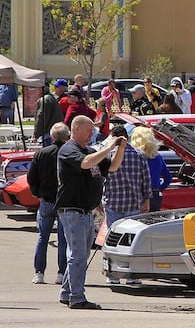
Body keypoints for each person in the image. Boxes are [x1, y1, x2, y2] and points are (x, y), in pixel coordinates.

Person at [56, 115, 126, 309]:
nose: (91, 134)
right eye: (88, 131)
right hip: (72, 210)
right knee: (77, 254)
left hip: (86, 211)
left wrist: (120, 148)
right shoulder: (69, 150)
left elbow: (112, 167)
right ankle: (77, 297)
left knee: (81, 253)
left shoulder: (89, 150)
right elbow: (85, 163)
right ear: (76, 129)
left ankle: (67, 292)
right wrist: (109, 146)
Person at [102, 125, 151, 285]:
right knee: (132, 242)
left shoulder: (107, 155)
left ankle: (113, 275)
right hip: (133, 203)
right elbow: (146, 179)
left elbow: (101, 180)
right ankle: (133, 276)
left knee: (112, 240)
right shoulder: (139, 155)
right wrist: (147, 199)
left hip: (113, 203)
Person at [27, 122, 69, 286]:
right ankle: (61, 273)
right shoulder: (69, 153)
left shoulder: (42, 153)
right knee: (63, 239)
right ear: (67, 136)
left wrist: (38, 194)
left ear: (52, 136)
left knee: (42, 237)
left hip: (46, 200)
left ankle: (39, 272)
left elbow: (31, 178)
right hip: (64, 201)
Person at [130, 126, 171, 213]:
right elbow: (168, 178)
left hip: (138, 195)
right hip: (155, 195)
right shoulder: (157, 157)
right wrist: (158, 189)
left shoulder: (135, 157)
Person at [34, 80, 65, 146]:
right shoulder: (51, 98)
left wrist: (36, 135)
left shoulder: (45, 99)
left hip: (48, 134)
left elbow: (41, 117)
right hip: (54, 131)